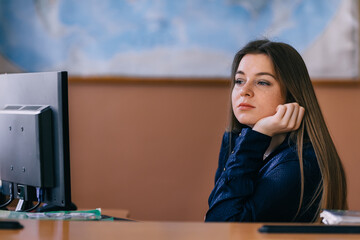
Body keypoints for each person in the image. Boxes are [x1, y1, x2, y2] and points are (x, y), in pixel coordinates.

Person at [205, 39, 347, 222]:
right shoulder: (238, 141)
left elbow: (220, 225)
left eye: (262, 82)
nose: (244, 91)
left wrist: (258, 134)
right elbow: (217, 215)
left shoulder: (298, 164)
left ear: (291, 95)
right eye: (239, 81)